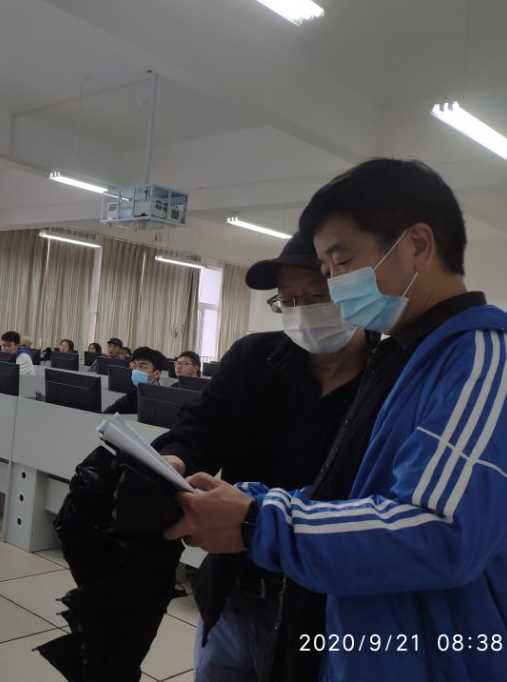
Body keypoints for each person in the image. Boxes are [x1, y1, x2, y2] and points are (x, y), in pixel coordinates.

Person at [165, 159, 507, 682]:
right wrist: (248, 500)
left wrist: (257, 522)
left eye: (340, 264)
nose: (336, 286)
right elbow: (353, 494)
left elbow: (440, 531)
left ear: (418, 245)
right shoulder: (405, 358)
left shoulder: (486, 356)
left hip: (448, 650)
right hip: (375, 639)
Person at [154, 232, 370, 682]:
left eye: (318, 296)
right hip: (233, 588)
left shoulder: (390, 377)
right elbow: (201, 426)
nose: (302, 311)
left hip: (327, 607)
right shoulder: (253, 358)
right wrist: (174, 460)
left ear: (356, 289)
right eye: (287, 301)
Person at [103, 346, 165, 414]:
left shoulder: (165, 399)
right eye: (134, 366)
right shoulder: (133, 395)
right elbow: (107, 413)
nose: (136, 371)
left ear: (157, 374)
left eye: (142, 367)